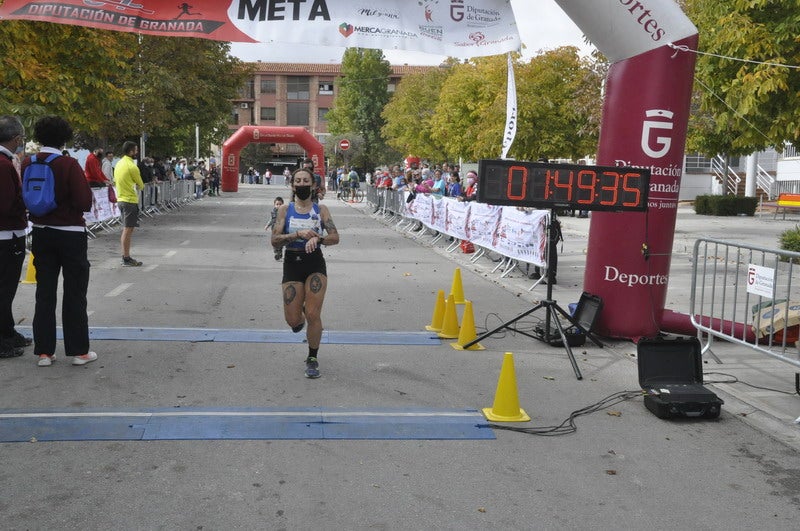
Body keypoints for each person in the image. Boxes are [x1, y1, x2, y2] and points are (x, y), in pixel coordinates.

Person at [21, 116, 96, 367]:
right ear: (65, 137)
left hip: (41, 231)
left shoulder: (27, 162)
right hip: (70, 233)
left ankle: (44, 351)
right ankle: (79, 351)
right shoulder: (68, 164)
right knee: (75, 292)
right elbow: (84, 201)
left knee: (45, 292)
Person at [271, 168, 339, 378]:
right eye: (298, 181)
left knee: (313, 313)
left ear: (313, 186)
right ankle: (297, 315)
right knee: (293, 320)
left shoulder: (321, 210)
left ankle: (312, 357)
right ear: (292, 186)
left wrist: (318, 239)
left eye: (305, 181)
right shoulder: (284, 210)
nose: (301, 184)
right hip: (292, 263)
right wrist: (297, 234)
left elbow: (335, 237)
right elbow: (274, 239)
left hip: (314, 263)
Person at [0, 115, 30, 358]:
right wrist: (25, 204)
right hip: (6, 235)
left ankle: (7, 331)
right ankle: (2, 338)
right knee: (5, 288)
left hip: (9, 233)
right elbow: (7, 203)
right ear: (15, 138)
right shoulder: (3, 164)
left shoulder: (7, 161)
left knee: (7, 288)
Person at [114, 141, 145, 266]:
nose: (137, 153)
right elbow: (141, 184)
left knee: (127, 229)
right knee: (127, 229)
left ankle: (126, 257)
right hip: (129, 200)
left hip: (121, 199)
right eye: (136, 150)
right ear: (131, 151)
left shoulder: (119, 163)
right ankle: (126, 257)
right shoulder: (132, 166)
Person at [265, 196, 284, 261]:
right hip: (274, 230)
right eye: (277, 204)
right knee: (274, 242)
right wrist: (267, 225)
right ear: (274, 205)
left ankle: (280, 253)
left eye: (280, 204)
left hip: (281, 230)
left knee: (280, 242)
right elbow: (271, 219)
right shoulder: (273, 212)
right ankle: (276, 253)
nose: (278, 206)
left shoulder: (284, 212)